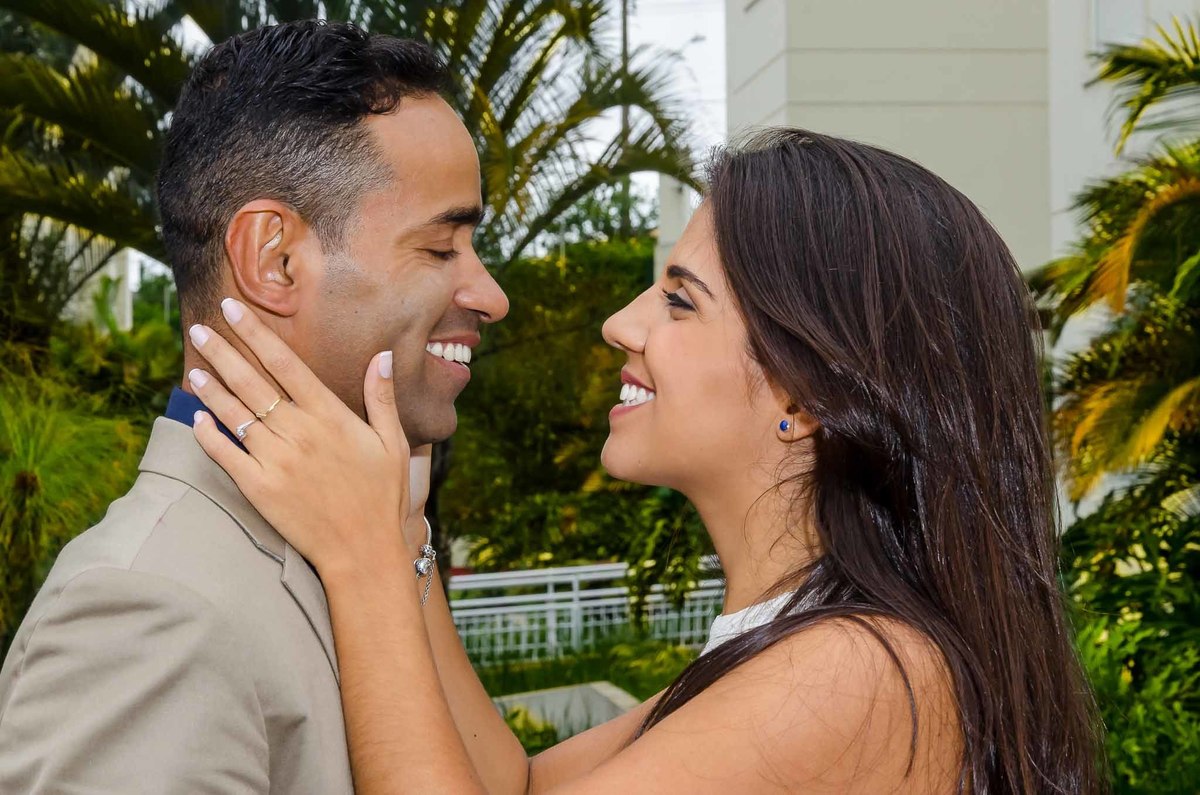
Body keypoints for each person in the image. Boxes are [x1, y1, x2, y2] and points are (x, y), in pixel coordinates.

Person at [187, 129, 1105, 793]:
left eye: (679, 300)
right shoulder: (801, 642)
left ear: (806, 395)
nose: (620, 323)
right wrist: (402, 531)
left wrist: (362, 563)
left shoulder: (860, 670)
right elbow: (517, 784)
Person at [0, 21, 506, 793]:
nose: (492, 296)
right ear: (276, 260)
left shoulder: (352, 547)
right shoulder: (151, 609)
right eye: (441, 247)